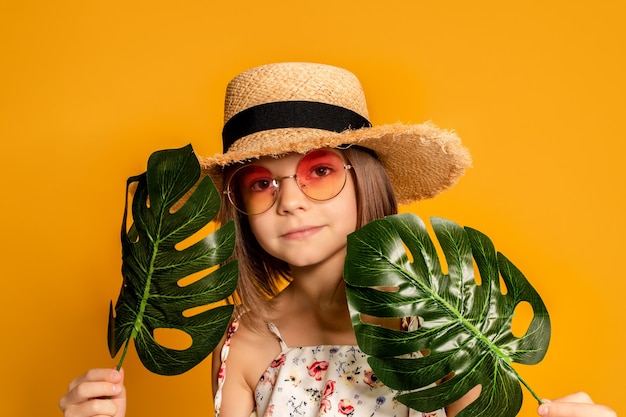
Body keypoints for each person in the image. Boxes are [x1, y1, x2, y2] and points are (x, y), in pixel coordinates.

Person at [59, 62, 616, 417]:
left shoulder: (440, 321)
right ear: (239, 206)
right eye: (260, 183)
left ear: (363, 179)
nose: (290, 200)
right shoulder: (244, 343)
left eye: (319, 170)